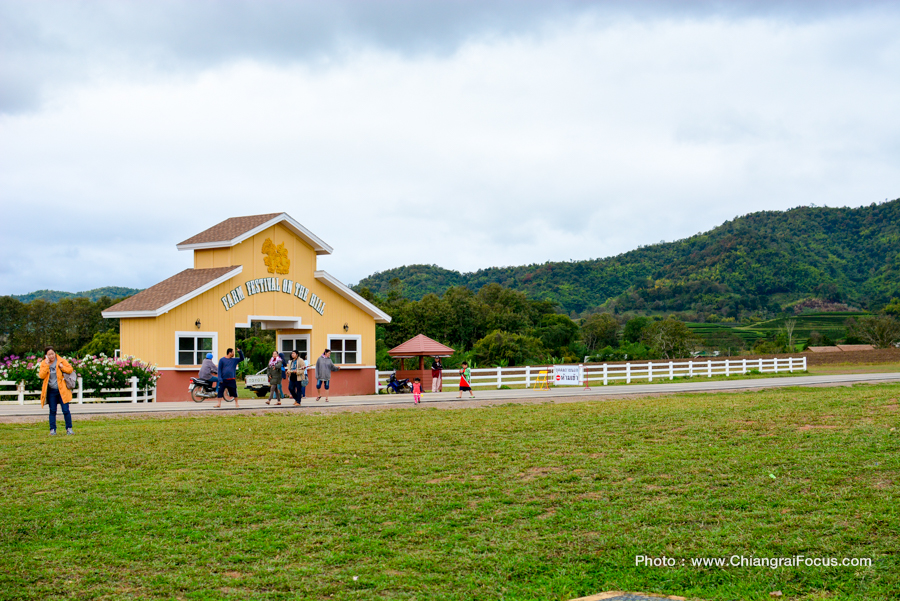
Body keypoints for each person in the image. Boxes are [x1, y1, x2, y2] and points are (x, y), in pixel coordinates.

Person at [39, 346, 75, 435]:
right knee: (52, 411)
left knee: (66, 410)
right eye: (49, 354)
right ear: (46, 356)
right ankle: (52, 430)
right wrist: (47, 365)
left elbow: (70, 369)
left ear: (55, 353)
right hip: (51, 391)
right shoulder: (44, 363)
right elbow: (41, 375)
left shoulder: (61, 361)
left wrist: (62, 367)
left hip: (62, 390)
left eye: (52, 354)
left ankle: (69, 429)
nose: (51, 356)